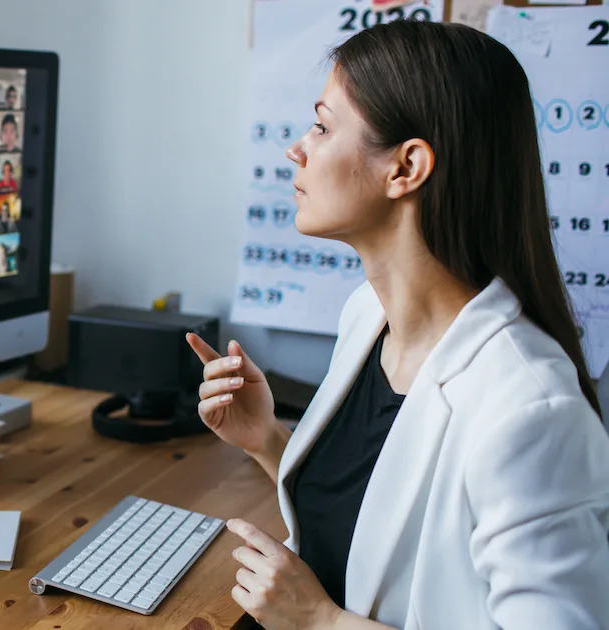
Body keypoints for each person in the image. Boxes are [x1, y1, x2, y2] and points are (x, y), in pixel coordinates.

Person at [184, 21, 609, 629]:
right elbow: (379, 518)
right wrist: (269, 440)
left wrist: (321, 623)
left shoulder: (530, 410)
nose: (297, 148)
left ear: (406, 167)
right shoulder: (367, 315)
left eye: (324, 127)